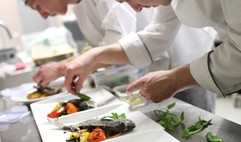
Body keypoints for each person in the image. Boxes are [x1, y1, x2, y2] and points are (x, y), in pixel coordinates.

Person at [64, 0, 241, 104]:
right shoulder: (169, 3)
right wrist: (93, 56)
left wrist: (175, 79)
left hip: (198, 62)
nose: (136, 9)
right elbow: (157, 34)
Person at [25, 0, 154, 86]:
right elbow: (97, 51)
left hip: (153, 69)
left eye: (36, 5)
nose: (43, 16)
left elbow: (119, 49)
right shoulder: (78, 6)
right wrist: (62, 66)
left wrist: (61, 68)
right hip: (131, 76)